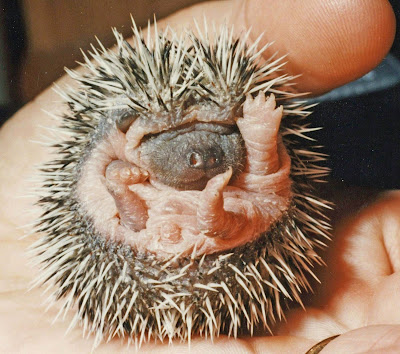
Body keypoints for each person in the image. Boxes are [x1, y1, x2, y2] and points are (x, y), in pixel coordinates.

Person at [0, 0, 398, 352]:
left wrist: (258, 140)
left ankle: (205, 218)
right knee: (249, 194)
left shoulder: (158, 138)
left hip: (216, 213)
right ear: (135, 134)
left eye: (219, 136)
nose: (201, 158)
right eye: (181, 140)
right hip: (162, 224)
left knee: (262, 192)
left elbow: (268, 176)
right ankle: (201, 219)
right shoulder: (116, 131)